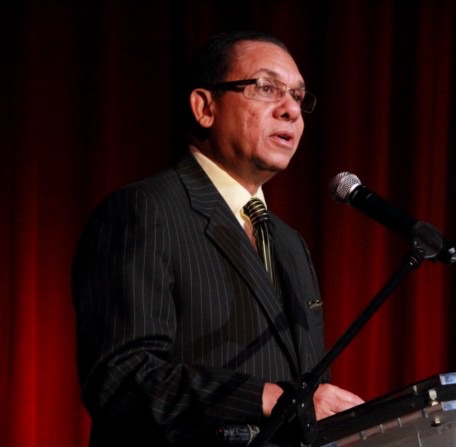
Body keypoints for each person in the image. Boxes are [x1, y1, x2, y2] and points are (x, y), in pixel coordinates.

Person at [72, 31, 364, 446]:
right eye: (267, 88)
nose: (291, 111)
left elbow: (306, 394)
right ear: (205, 107)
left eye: (298, 96)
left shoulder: (289, 243)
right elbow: (121, 378)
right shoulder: (144, 211)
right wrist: (268, 398)